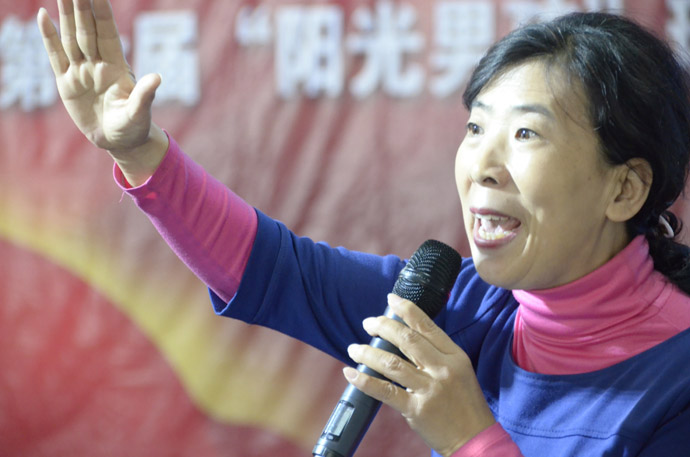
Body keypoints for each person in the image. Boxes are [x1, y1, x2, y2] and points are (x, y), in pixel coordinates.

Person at [37, 0, 690, 455]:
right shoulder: (455, 306)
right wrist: (139, 151)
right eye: (476, 128)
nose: (482, 166)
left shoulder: (676, 379)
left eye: (525, 134)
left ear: (624, 187)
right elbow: (273, 269)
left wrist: (469, 436)